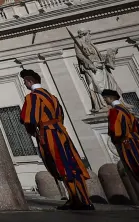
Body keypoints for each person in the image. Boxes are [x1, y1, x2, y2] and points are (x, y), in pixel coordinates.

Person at [19, 70, 93, 210]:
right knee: (72, 163)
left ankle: (76, 200)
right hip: (61, 132)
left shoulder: (32, 97)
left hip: (48, 134)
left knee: (60, 165)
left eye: (25, 82)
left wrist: (34, 132)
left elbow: (28, 119)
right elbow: (60, 116)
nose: (25, 84)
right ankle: (84, 199)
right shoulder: (52, 97)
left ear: (29, 81)